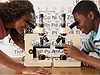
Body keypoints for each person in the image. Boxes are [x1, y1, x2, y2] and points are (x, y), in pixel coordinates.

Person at [0, 1, 50, 74]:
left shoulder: (10, 26)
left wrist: (37, 54)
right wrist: (22, 68)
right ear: (15, 15)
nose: (28, 26)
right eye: (27, 21)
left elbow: (18, 40)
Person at [63, 1, 100, 70]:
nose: (77, 27)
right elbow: (84, 51)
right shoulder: (94, 36)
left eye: (78, 22)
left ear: (91, 15)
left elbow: (82, 55)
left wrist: (83, 57)